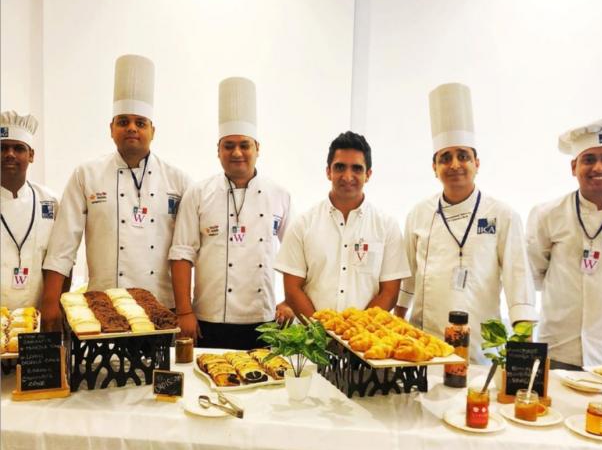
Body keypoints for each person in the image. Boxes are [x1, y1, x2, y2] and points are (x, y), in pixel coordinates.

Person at [40, 54, 191, 331]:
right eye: (123, 121)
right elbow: (63, 245)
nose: (131, 128)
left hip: (162, 308)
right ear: (111, 129)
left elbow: (186, 250)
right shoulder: (87, 174)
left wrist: (186, 310)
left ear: (153, 131)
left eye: (140, 122)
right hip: (103, 309)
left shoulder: (178, 180)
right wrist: (50, 302)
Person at [395, 83, 537, 363]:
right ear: (434, 168)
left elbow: (518, 278)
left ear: (477, 163)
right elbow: (408, 276)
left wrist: (524, 344)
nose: (454, 165)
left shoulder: (503, 214)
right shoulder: (418, 214)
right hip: (423, 342)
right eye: (445, 158)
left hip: (481, 345)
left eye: (463, 156)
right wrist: (397, 319)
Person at [170, 77, 293, 349]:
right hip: (209, 317)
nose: (237, 153)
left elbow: (296, 258)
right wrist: (184, 311)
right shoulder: (198, 193)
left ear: (257, 148)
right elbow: (181, 255)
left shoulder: (279, 195)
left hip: (263, 318)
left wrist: (289, 302)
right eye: (228, 146)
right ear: (218, 151)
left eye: (244, 145)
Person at [527, 119, 602, 367]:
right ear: (573, 167)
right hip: (560, 349)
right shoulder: (547, 214)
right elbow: (532, 275)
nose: (599, 167)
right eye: (588, 159)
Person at [275, 131, 410, 319]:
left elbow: (389, 293)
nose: (347, 176)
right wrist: (321, 330)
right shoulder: (303, 224)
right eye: (340, 167)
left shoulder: (387, 226)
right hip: (310, 334)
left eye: (357, 168)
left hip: (365, 336)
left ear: (368, 174)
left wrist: (355, 330)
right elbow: (292, 289)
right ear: (328, 172)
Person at [1, 111, 62, 309]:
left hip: (38, 316)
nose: (10, 154)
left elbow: (61, 259)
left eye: (18, 148)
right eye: (2, 148)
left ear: (31, 155)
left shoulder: (50, 201)